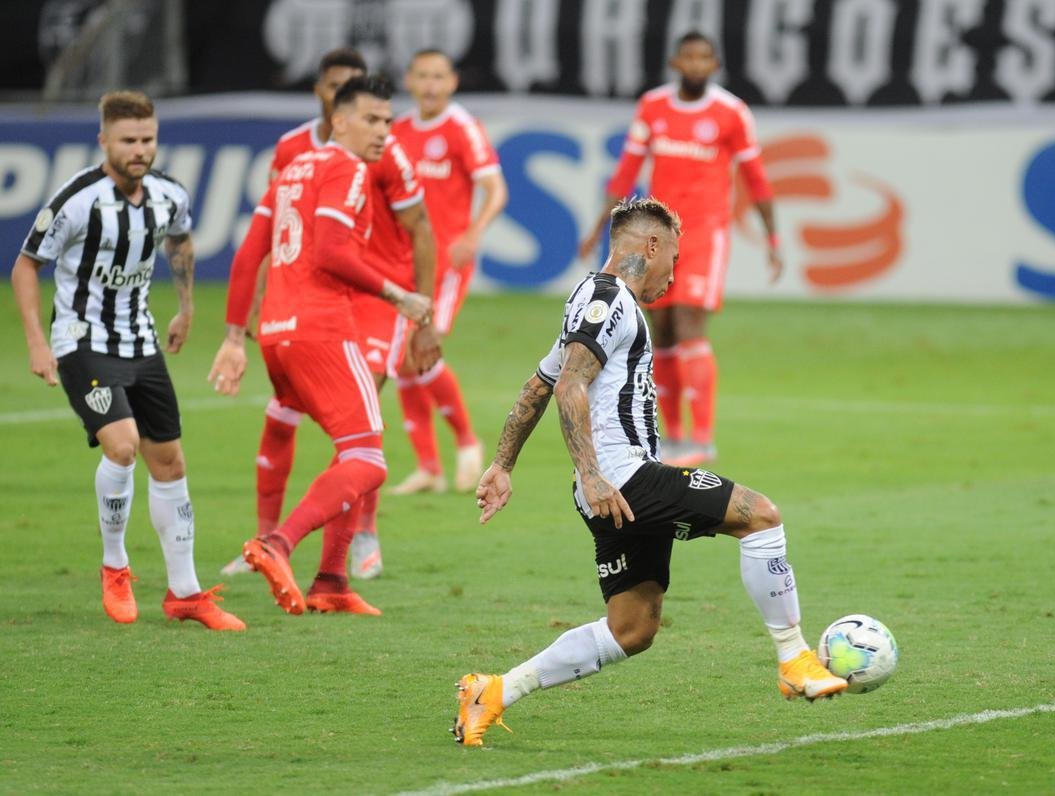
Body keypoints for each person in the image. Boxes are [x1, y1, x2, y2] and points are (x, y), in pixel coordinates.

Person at [453, 197, 845, 747]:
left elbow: (539, 383)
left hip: (611, 488)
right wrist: (592, 474)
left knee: (632, 630)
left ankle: (492, 692)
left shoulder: (592, 300)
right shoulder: (609, 299)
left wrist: (502, 463)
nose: (674, 275)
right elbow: (569, 386)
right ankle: (794, 658)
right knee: (761, 516)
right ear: (651, 247)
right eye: (674, 260)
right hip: (623, 478)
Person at [12, 90, 244, 631]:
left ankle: (185, 593)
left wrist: (186, 309)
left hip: (141, 342)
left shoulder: (168, 194)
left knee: (172, 463)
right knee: (123, 445)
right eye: (128, 140)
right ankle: (115, 567)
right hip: (82, 339)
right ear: (104, 141)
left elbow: (180, 243)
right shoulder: (76, 199)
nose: (140, 149)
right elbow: (27, 265)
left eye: (147, 139)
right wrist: (35, 341)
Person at [208, 76, 432, 616]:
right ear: (340, 120)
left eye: (388, 121)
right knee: (368, 458)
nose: (383, 132)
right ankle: (276, 543)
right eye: (372, 120)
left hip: (277, 333)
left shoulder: (291, 169)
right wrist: (398, 294)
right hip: (322, 329)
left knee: (344, 448)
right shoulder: (346, 169)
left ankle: (331, 581)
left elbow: (247, 257)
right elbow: (331, 252)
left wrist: (234, 337)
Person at [579, 31, 782, 468]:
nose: (695, 64)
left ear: (715, 65)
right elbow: (626, 171)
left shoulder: (731, 112)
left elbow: (756, 178)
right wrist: (599, 226)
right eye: (688, 56)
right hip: (660, 236)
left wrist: (773, 237)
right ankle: (673, 438)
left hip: (707, 232)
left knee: (690, 321)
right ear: (675, 61)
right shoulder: (653, 106)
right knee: (663, 329)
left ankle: (703, 439)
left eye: (703, 57)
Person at [387, 48, 508, 496]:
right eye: (423, 76)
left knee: (426, 348)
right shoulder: (397, 130)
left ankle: (467, 442)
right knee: (401, 361)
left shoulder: (462, 127)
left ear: (452, 82)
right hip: (403, 261)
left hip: (447, 261)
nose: (432, 85)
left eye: (439, 76)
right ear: (410, 80)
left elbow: (496, 188)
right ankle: (428, 467)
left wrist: (474, 232)